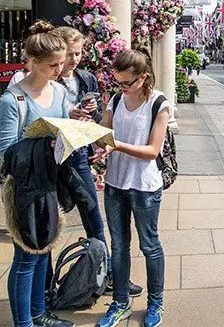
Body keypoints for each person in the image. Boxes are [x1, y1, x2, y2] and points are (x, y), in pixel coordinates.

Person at [52, 27, 143, 297]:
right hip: (49, 156)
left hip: (77, 153)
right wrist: (68, 113)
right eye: (69, 54)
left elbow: (95, 120)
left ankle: (108, 273)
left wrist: (90, 117)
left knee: (92, 212)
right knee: (46, 222)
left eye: (79, 53)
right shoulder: (47, 80)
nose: (74, 59)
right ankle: (44, 286)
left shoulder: (86, 78)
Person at [0, 21, 74, 327]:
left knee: (44, 251)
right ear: (33, 63)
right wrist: (43, 143)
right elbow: (7, 153)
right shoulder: (12, 100)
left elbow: (65, 133)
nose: (58, 69)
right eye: (52, 65)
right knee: (26, 256)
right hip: (25, 187)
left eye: (61, 63)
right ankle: (24, 322)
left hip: (50, 182)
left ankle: (39, 314)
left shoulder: (59, 92)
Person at [94, 47, 170, 327]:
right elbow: (104, 134)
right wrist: (96, 140)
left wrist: (116, 145)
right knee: (119, 246)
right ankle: (120, 302)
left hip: (144, 186)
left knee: (150, 245)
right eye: (118, 82)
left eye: (127, 82)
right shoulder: (115, 100)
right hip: (115, 183)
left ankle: (155, 303)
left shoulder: (158, 103)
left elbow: (152, 150)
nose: (122, 87)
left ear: (143, 78)